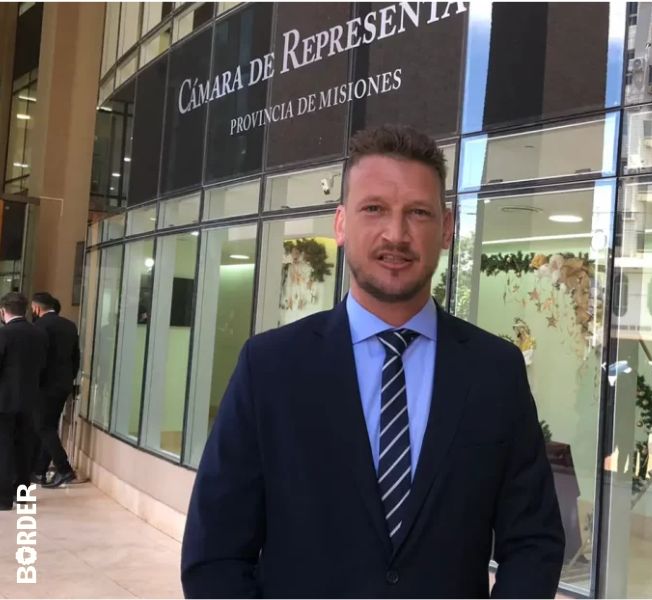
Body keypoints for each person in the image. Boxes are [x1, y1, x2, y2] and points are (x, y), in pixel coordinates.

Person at [182, 125, 565, 598]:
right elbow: (215, 553)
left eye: (418, 213)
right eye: (374, 209)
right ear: (341, 224)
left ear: (447, 228)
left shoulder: (495, 371)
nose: (395, 234)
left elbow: (533, 542)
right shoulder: (269, 368)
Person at [0, 293, 47, 510]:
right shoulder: (39, 333)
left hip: (4, 400)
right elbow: (43, 365)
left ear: (3, 311)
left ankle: (3, 498)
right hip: (31, 399)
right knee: (24, 446)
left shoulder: (4, 334)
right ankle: (21, 493)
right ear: (26, 310)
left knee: (4, 447)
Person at [30, 292, 79, 488]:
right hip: (63, 384)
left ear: (36, 308)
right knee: (49, 426)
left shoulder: (38, 327)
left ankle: (64, 468)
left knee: (43, 427)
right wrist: (69, 378)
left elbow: (38, 359)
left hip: (44, 385)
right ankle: (39, 470)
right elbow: (75, 357)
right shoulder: (69, 325)